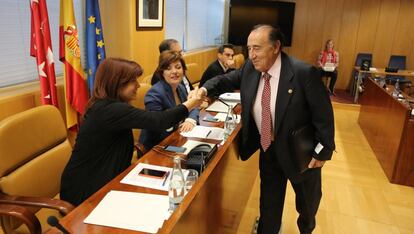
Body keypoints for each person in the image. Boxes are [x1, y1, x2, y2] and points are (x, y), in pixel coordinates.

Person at [199, 25, 335, 234]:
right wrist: (205, 88)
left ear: (276, 47)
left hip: (301, 154)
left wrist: (323, 151)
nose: (251, 55)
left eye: (257, 48)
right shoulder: (249, 69)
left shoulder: (303, 73)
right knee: (269, 206)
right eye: (249, 48)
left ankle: (307, 229)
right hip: (269, 150)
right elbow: (225, 80)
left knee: (307, 206)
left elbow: (323, 115)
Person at [60, 58, 202, 206]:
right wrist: (191, 103)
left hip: (109, 177)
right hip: (86, 189)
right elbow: (160, 121)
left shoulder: (107, 105)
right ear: (116, 83)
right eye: (132, 81)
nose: (138, 85)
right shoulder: (110, 110)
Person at [139, 51, 199, 150]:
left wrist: (191, 120)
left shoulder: (180, 87)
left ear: (183, 70)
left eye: (178, 67)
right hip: (158, 146)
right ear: (162, 72)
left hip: (178, 138)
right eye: (168, 68)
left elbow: (193, 105)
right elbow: (157, 126)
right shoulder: (154, 93)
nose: (174, 71)